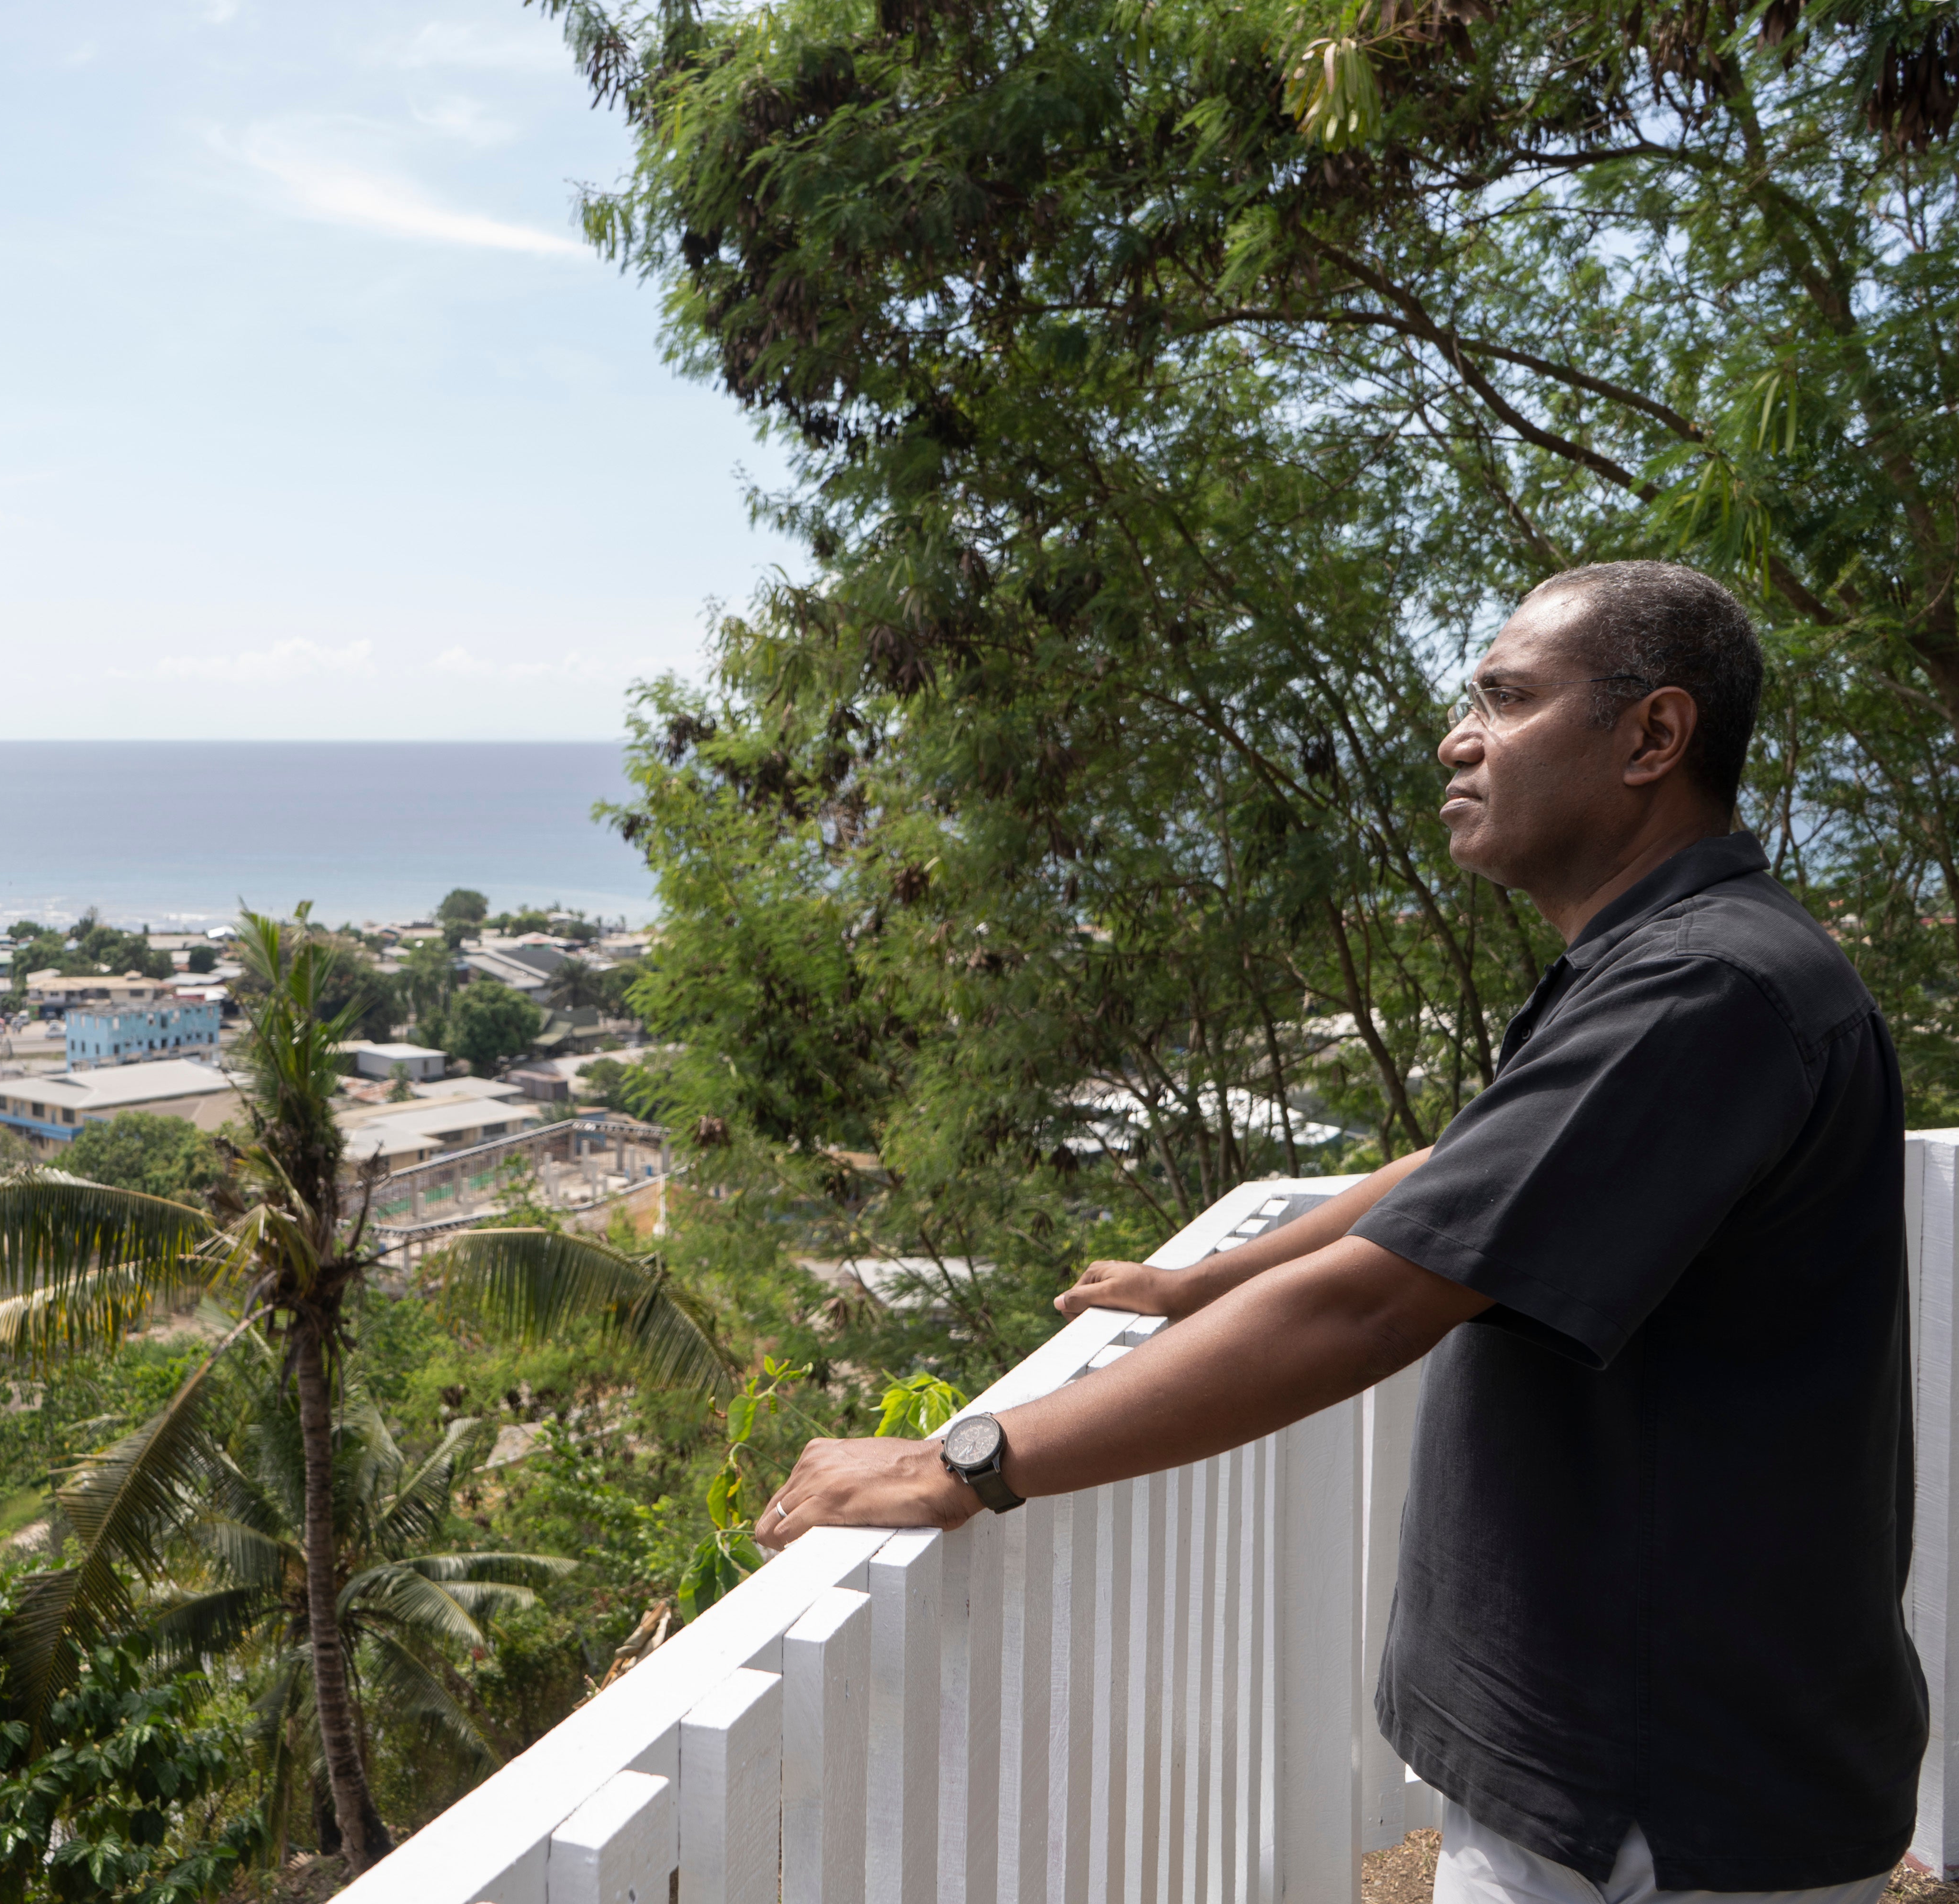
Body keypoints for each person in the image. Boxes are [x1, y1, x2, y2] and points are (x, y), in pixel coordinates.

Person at [755, 562, 1923, 1904]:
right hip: (1654, 1756)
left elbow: (1373, 1304)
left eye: (1509, 697)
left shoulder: (1705, 985)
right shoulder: (1689, 959)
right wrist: (1205, 1281)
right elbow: (1469, 1165)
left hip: (1653, 1795)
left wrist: (962, 1464)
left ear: (1653, 737)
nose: (1458, 735)